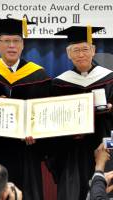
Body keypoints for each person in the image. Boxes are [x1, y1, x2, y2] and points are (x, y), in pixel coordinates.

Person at [0, 18, 51, 200]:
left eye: (16, 41)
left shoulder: (40, 75)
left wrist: (37, 133)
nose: (11, 46)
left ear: (23, 45)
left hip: (25, 150)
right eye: (6, 41)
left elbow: (46, 114)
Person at [45, 26, 113, 200]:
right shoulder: (59, 84)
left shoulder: (109, 78)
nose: (81, 54)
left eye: (85, 49)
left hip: (103, 147)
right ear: (68, 54)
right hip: (71, 152)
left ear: (93, 51)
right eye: (76, 50)